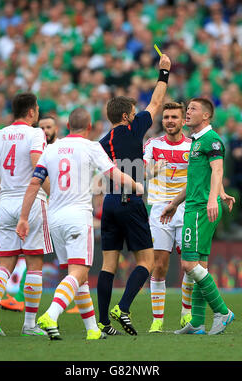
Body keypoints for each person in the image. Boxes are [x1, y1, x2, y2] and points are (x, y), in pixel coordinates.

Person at [16, 107, 144, 340]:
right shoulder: (91, 147)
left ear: (66, 127)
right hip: (78, 217)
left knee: (78, 276)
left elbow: (34, 184)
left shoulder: (51, 149)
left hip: (55, 219)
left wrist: (23, 218)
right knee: (79, 272)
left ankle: (92, 329)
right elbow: (115, 174)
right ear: (89, 127)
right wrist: (137, 186)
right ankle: (51, 314)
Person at [96, 53, 171, 336]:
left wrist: (146, 174)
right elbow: (156, 102)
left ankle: (103, 324)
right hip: (131, 201)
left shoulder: (103, 142)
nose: (137, 111)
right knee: (146, 262)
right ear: (127, 116)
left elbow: (111, 172)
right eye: (133, 109)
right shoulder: (133, 128)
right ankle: (122, 308)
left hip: (110, 203)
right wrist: (163, 72)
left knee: (108, 265)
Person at [0, 92, 53, 337]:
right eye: (38, 110)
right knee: (34, 266)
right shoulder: (35, 134)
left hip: (5, 203)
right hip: (30, 204)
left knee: (4, 265)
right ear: (31, 112)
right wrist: (57, 197)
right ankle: (29, 325)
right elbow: (37, 166)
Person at [161, 97, 235, 335]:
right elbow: (196, 180)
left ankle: (222, 311)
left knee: (188, 264)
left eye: (192, 109)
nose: (187, 112)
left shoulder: (211, 140)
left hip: (201, 208)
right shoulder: (197, 142)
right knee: (200, 265)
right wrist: (174, 204)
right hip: (195, 205)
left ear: (205, 116)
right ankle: (198, 322)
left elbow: (218, 169)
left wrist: (213, 198)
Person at [0, 115, 59, 312]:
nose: (45, 131)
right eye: (42, 127)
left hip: (57, 205)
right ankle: (20, 297)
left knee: (62, 252)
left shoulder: (59, 149)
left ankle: (77, 297)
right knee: (35, 254)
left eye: (49, 127)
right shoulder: (35, 146)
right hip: (40, 205)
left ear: (56, 129)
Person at [143, 102, 194, 333]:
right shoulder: (153, 144)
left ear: (184, 121)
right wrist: (153, 170)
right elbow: (142, 171)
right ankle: (157, 319)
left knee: (190, 266)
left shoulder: (193, 146)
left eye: (174, 117)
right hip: (160, 210)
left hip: (185, 209)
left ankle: (186, 313)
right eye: (166, 117)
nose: (170, 121)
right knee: (160, 265)